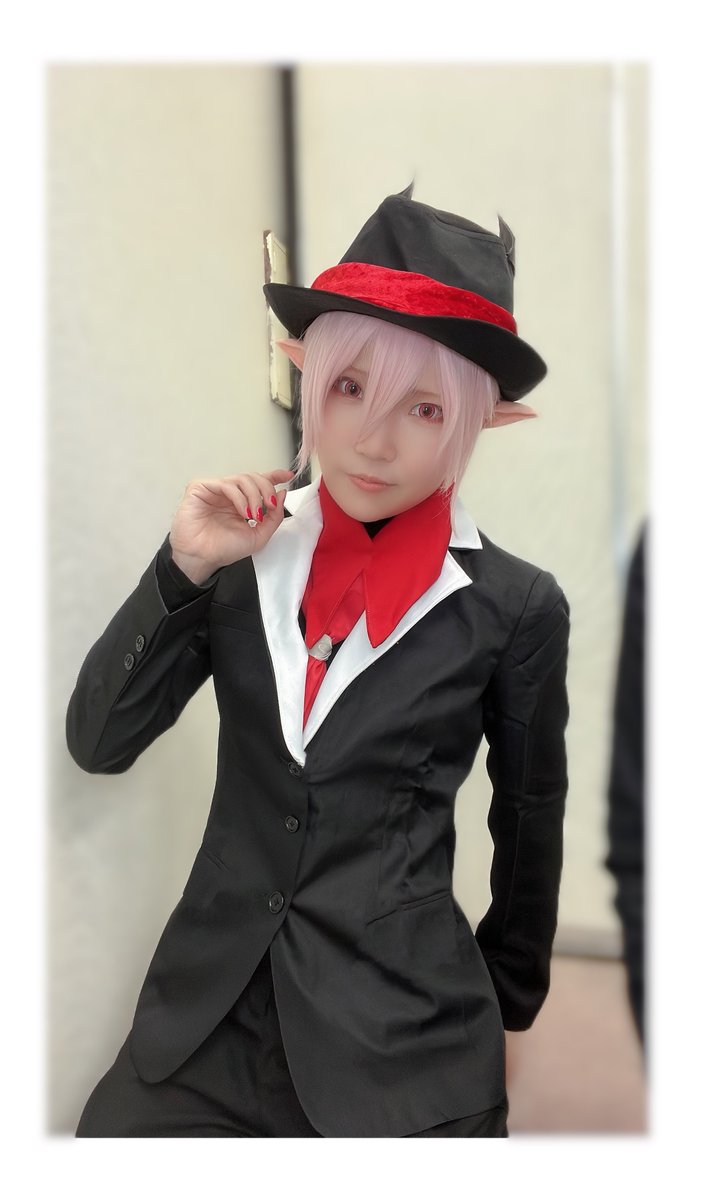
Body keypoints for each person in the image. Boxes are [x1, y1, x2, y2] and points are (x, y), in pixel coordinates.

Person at [67, 184, 570, 1137]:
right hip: (205, 1018)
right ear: (308, 376)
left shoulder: (516, 606)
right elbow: (98, 741)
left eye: (425, 407)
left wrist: (506, 1002)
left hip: (401, 1028)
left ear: (477, 421)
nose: (373, 440)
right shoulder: (238, 551)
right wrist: (182, 568)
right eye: (349, 389)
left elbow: (528, 817)